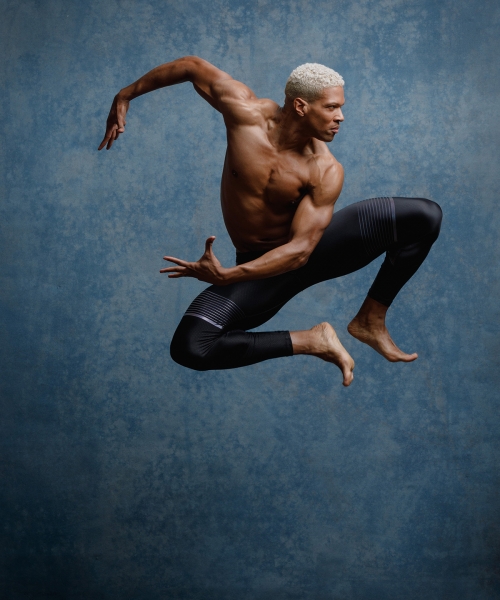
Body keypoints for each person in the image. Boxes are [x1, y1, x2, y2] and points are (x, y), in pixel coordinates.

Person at [98, 57, 442, 386]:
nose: (341, 117)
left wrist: (226, 276)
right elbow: (191, 66)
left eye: (341, 107)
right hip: (261, 272)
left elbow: (300, 252)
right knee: (190, 347)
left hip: (307, 252)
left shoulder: (324, 170)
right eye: (331, 107)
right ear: (300, 105)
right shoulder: (244, 114)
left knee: (425, 217)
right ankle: (312, 340)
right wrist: (125, 94)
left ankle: (370, 318)